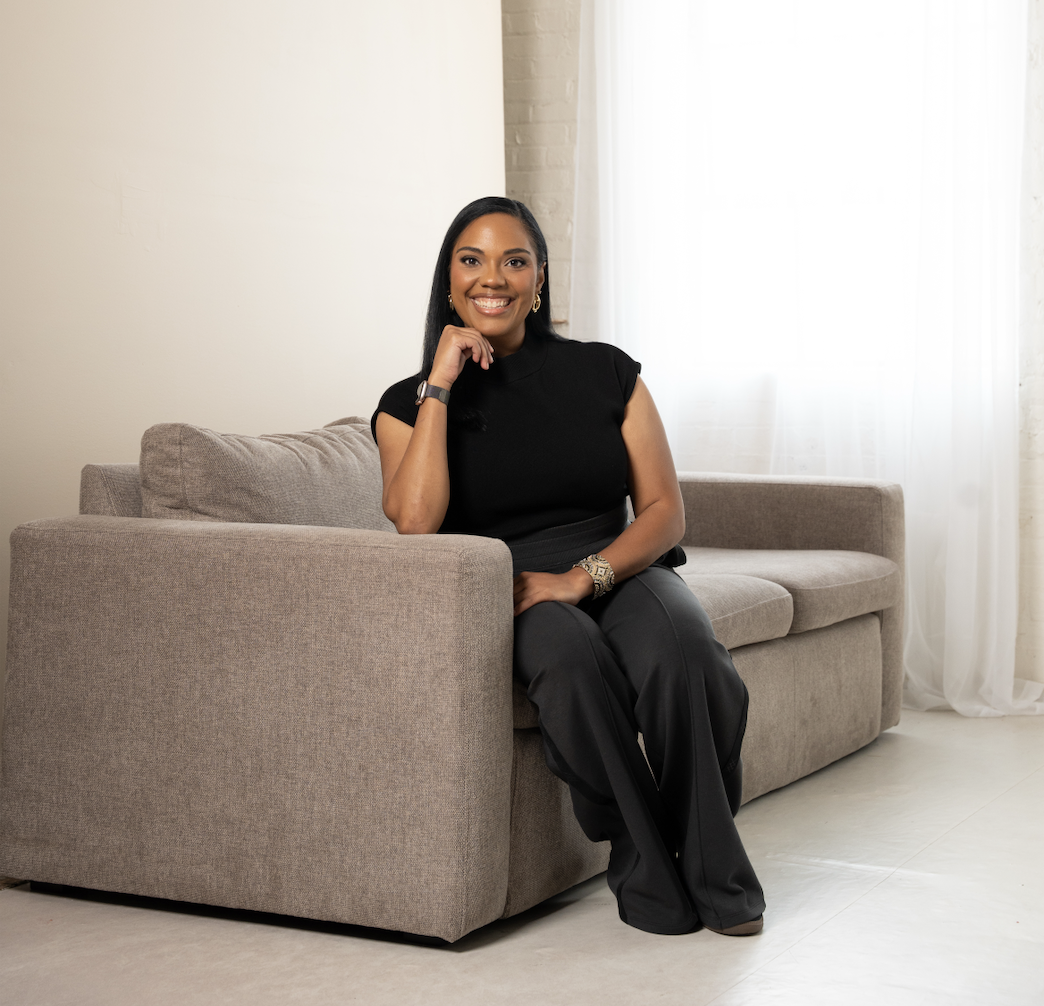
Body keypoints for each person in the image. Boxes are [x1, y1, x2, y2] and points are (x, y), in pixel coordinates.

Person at [371, 196, 765, 936]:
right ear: (448, 281)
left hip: (620, 565)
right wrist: (442, 383)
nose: (495, 278)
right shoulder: (408, 402)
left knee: (687, 656)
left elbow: (664, 513)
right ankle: (644, 863)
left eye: (514, 260)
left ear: (539, 279)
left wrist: (585, 576)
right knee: (574, 665)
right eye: (473, 260)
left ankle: (715, 864)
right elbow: (416, 522)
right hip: (511, 587)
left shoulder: (606, 371)